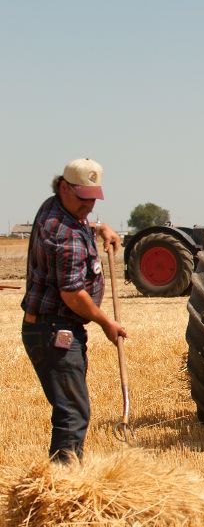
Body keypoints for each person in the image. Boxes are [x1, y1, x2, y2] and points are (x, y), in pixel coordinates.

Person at [21, 158, 127, 463]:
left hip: (47, 327)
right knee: (72, 413)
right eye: (83, 198)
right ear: (64, 187)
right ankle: (63, 484)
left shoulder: (54, 207)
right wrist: (106, 322)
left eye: (94, 198)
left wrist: (99, 228)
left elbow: (76, 222)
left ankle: (64, 477)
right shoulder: (65, 235)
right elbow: (72, 295)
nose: (89, 205)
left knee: (71, 409)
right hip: (56, 331)